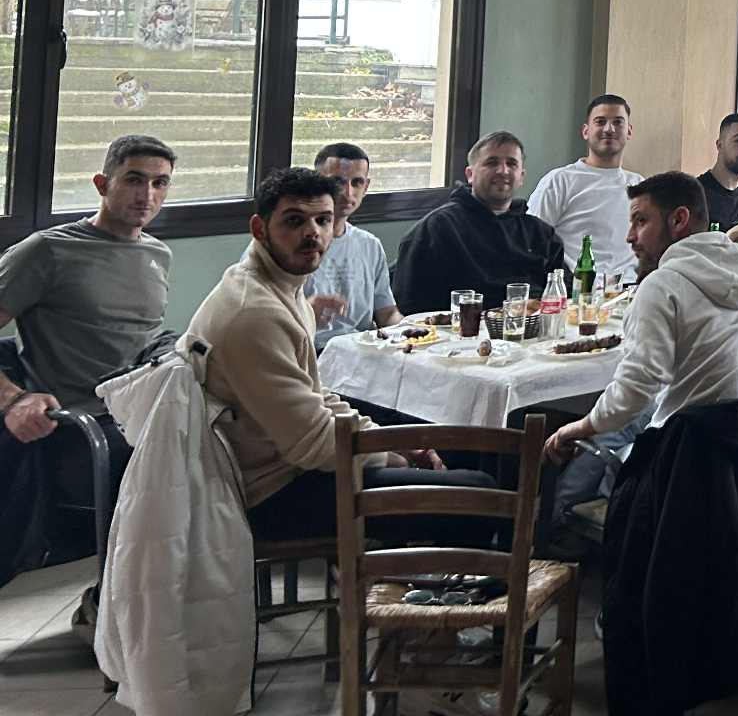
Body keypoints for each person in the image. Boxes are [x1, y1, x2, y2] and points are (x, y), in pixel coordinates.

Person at [190, 168, 497, 537]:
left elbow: (317, 396)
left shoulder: (281, 288)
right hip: (269, 492)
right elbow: (312, 444)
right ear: (260, 228)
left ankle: (430, 570)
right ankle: (449, 575)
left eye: (323, 220)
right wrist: (391, 455)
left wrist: (397, 441)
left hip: (293, 470)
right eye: (294, 221)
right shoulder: (255, 312)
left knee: (469, 480)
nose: (312, 233)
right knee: (479, 498)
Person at [544, 171, 738, 468]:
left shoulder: (661, 286)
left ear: (679, 220)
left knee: (582, 449)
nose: (630, 236)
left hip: (685, 461)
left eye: (641, 221)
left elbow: (634, 390)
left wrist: (577, 428)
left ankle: (547, 497)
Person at [0, 135, 175, 491]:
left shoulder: (158, 254)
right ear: (102, 184)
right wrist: (13, 400)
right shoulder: (48, 250)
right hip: (82, 424)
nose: (147, 195)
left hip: (143, 411)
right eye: (134, 180)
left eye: (160, 183)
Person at [391, 131, 567, 313]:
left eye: (511, 164)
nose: (503, 171)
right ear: (470, 174)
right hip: (463, 327)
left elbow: (564, 295)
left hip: (538, 326)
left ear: (521, 176)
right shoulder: (437, 228)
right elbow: (411, 306)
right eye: (492, 163)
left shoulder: (541, 234)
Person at [527, 94, 644, 277]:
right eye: (600, 122)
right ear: (585, 131)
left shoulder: (640, 185)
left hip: (631, 288)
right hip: (577, 288)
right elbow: (531, 241)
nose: (609, 129)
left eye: (618, 122)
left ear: (629, 131)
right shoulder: (559, 181)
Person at [306, 142, 400, 349]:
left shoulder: (370, 245)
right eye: (337, 182)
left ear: (366, 187)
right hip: (311, 353)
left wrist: (410, 331)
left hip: (363, 352)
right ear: (317, 183)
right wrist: (304, 312)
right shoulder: (293, 243)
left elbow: (386, 313)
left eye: (357, 182)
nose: (347, 193)